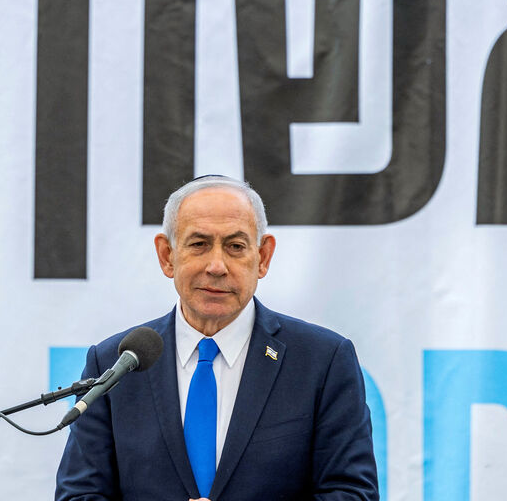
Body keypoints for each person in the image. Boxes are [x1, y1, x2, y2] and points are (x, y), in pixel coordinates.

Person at [55, 175, 379, 500]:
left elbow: (352, 493)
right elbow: (79, 495)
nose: (216, 266)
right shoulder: (115, 363)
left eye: (235, 247)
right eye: (199, 244)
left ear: (263, 257)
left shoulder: (321, 361)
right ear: (167, 255)